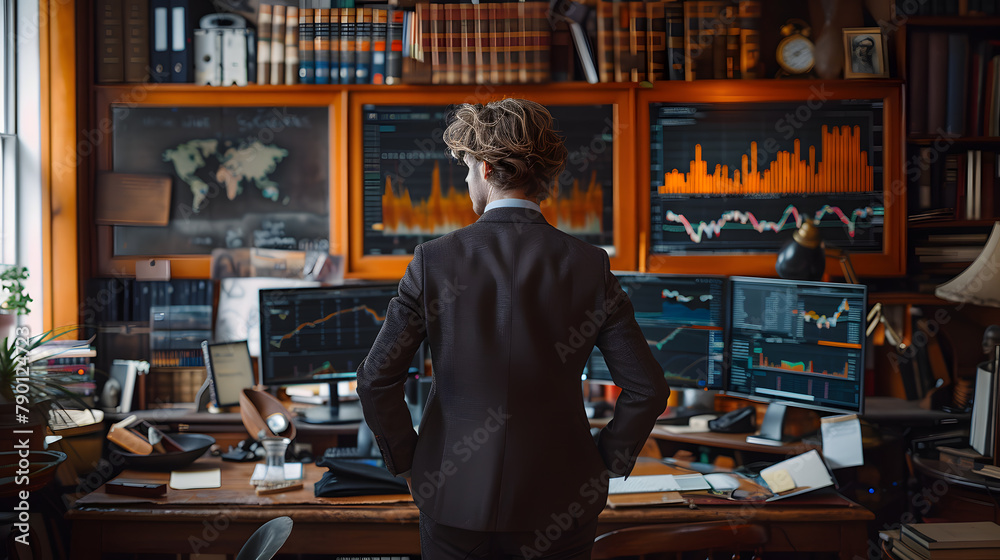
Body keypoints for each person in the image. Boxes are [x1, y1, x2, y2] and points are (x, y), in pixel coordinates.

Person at [356, 98, 670, 560]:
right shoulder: (589, 265)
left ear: (484, 169)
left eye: (465, 170)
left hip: (452, 499)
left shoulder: (433, 261)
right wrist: (603, 463)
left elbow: (375, 379)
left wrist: (409, 461)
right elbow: (647, 388)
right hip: (562, 505)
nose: (466, 182)